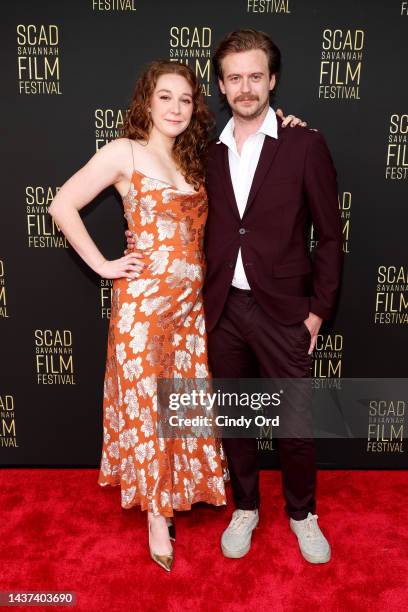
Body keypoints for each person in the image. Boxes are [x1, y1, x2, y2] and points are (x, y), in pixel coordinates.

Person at [128, 29, 344, 566]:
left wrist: (318, 311)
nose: (245, 87)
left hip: (285, 311)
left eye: (255, 76)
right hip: (221, 309)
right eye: (234, 78)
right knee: (239, 419)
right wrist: (140, 237)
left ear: (272, 80)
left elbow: (331, 236)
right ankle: (245, 505)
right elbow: (173, 213)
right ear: (221, 87)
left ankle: (302, 514)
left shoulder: (304, 143)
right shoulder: (204, 155)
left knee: (294, 424)